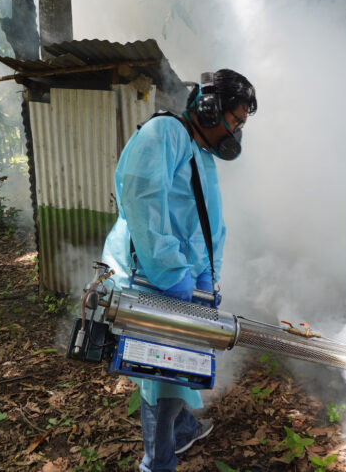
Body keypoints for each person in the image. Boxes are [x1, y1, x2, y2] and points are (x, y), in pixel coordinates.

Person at [101, 69, 257, 472]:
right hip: (151, 274)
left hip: (179, 275)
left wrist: (207, 274)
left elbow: (205, 224)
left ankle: (184, 428)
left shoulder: (199, 152)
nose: (238, 131)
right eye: (236, 120)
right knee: (164, 368)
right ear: (208, 108)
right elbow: (141, 200)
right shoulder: (164, 134)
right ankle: (157, 462)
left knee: (184, 356)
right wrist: (172, 272)